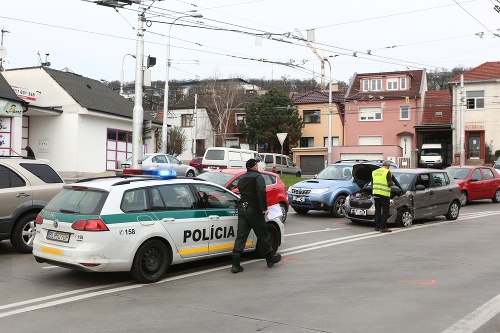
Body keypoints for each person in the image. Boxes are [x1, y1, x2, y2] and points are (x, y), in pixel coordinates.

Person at [230, 158, 281, 273]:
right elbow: (261, 192)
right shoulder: (258, 177)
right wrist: (264, 208)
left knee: (241, 236)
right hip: (254, 210)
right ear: (254, 166)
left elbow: (240, 191)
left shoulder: (242, 178)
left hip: (243, 209)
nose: (257, 166)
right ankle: (270, 259)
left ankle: (235, 264)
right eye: (256, 164)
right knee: (263, 234)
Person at [372, 160, 395, 233]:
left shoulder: (374, 172)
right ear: (388, 166)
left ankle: (376, 227)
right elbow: (389, 184)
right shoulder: (387, 172)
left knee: (377, 211)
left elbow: (372, 184)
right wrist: (393, 183)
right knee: (385, 211)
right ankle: (383, 227)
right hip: (384, 195)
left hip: (375, 194)